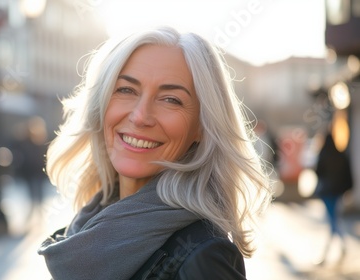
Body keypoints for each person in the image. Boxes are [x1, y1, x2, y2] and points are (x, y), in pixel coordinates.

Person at [38, 26, 272, 279]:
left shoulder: (203, 256)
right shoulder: (90, 223)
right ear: (101, 105)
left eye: (171, 99)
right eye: (126, 90)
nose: (140, 117)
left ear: (203, 126)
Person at [314, 131, 353, 265]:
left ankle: (331, 250)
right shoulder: (341, 155)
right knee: (334, 218)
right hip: (338, 192)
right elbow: (348, 174)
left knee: (332, 220)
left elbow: (318, 171)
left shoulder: (323, 154)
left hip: (327, 192)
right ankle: (340, 247)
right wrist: (347, 189)